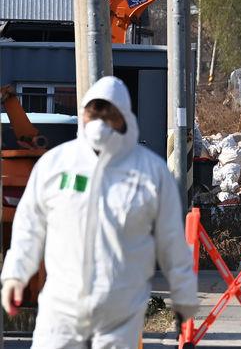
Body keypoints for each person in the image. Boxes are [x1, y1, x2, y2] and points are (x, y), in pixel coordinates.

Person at [1, 76, 198, 347]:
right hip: (62, 309)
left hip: (119, 313)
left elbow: (171, 239)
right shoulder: (57, 165)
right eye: (94, 115)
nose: (99, 124)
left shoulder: (149, 172)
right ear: (83, 115)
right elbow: (29, 226)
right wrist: (15, 274)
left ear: (124, 119)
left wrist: (184, 294)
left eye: (108, 116)